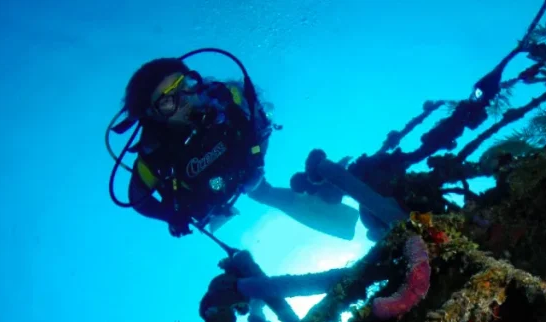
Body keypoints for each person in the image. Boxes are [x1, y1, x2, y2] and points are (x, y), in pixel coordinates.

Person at [107, 50, 359, 241]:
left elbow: (260, 122)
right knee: (260, 192)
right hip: (207, 200)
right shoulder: (155, 155)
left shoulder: (227, 98)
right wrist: (170, 215)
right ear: (153, 115)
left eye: (185, 85)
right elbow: (137, 200)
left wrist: (256, 161)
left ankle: (332, 203)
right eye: (168, 102)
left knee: (260, 190)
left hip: (245, 174)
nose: (185, 100)